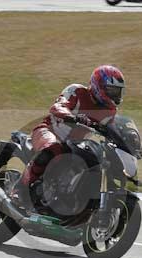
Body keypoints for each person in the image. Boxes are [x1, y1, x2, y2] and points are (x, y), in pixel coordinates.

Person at [11, 64, 126, 208]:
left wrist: (127, 144)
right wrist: (71, 116)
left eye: (117, 92)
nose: (114, 95)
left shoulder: (109, 110)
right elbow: (57, 107)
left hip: (75, 144)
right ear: (98, 86)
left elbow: (112, 130)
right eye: (111, 90)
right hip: (48, 131)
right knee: (53, 147)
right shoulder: (77, 91)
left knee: (92, 163)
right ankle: (20, 189)